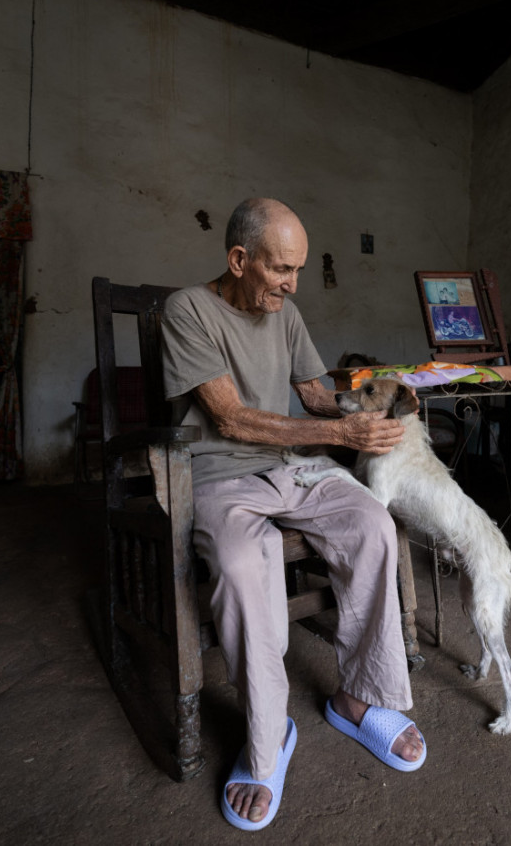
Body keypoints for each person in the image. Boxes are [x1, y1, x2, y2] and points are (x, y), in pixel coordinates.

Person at [160, 197, 427, 830]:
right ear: (239, 259)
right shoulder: (187, 309)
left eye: (298, 270)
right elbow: (230, 419)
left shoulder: (287, 313)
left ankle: (360, 699)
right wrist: (340, 436)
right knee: (239, 563)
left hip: (290, 466)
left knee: (373, 526)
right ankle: (267, 736)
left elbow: (314, 395)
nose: (292, 284)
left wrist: (371, 408)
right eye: (281, 269)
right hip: (220, 472)